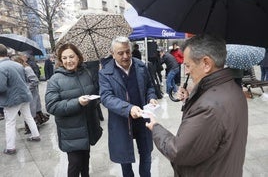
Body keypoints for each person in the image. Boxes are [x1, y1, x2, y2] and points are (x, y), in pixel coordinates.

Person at [145, 34, 248, 177]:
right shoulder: (233, 89)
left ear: (206, 63)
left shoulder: (209, 108)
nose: (186, 71)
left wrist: (155, 128)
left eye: (188, 65)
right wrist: (192, 98)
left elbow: (178, 151)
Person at [99, 36, 158, 177]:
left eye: (128, 52)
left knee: (146, 154)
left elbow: (150, 86)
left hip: (142, 119)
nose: (125, 56)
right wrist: (128, 109)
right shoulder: (105, 73)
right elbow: (106, 98)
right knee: (125, 160)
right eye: (120, 53)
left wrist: (151, 98)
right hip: (121, 121)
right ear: (112, 53)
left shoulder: (140, 66)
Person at [45, 43, 102, 177]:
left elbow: (95, 93)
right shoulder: (55, 80)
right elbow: (51, 106)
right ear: (60, 60)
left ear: (78, 57)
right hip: (71, 132)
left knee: (85, 162)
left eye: (71, 56)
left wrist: (95, 98)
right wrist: (77, 102)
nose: (68, 61)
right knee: (75, 164)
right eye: (64, 58)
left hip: (88, 127)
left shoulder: (86, 73)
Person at [0, 44, 41, 155]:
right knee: (28, 117)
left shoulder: (1, 67)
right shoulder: (17, 64)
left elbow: (1, 87)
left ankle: (10, 147)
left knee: (10, 123)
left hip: (11, 100)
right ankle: (36, 135)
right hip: (24, 96)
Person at [11, 55, 40, 134]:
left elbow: (35, 81)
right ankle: (31, 129)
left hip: (31, 94)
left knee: (31, 113)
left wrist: (26, 88)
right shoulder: (20, 69)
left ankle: (33, 129)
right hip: (26, 95)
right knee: (28, 114)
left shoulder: (27, 69)